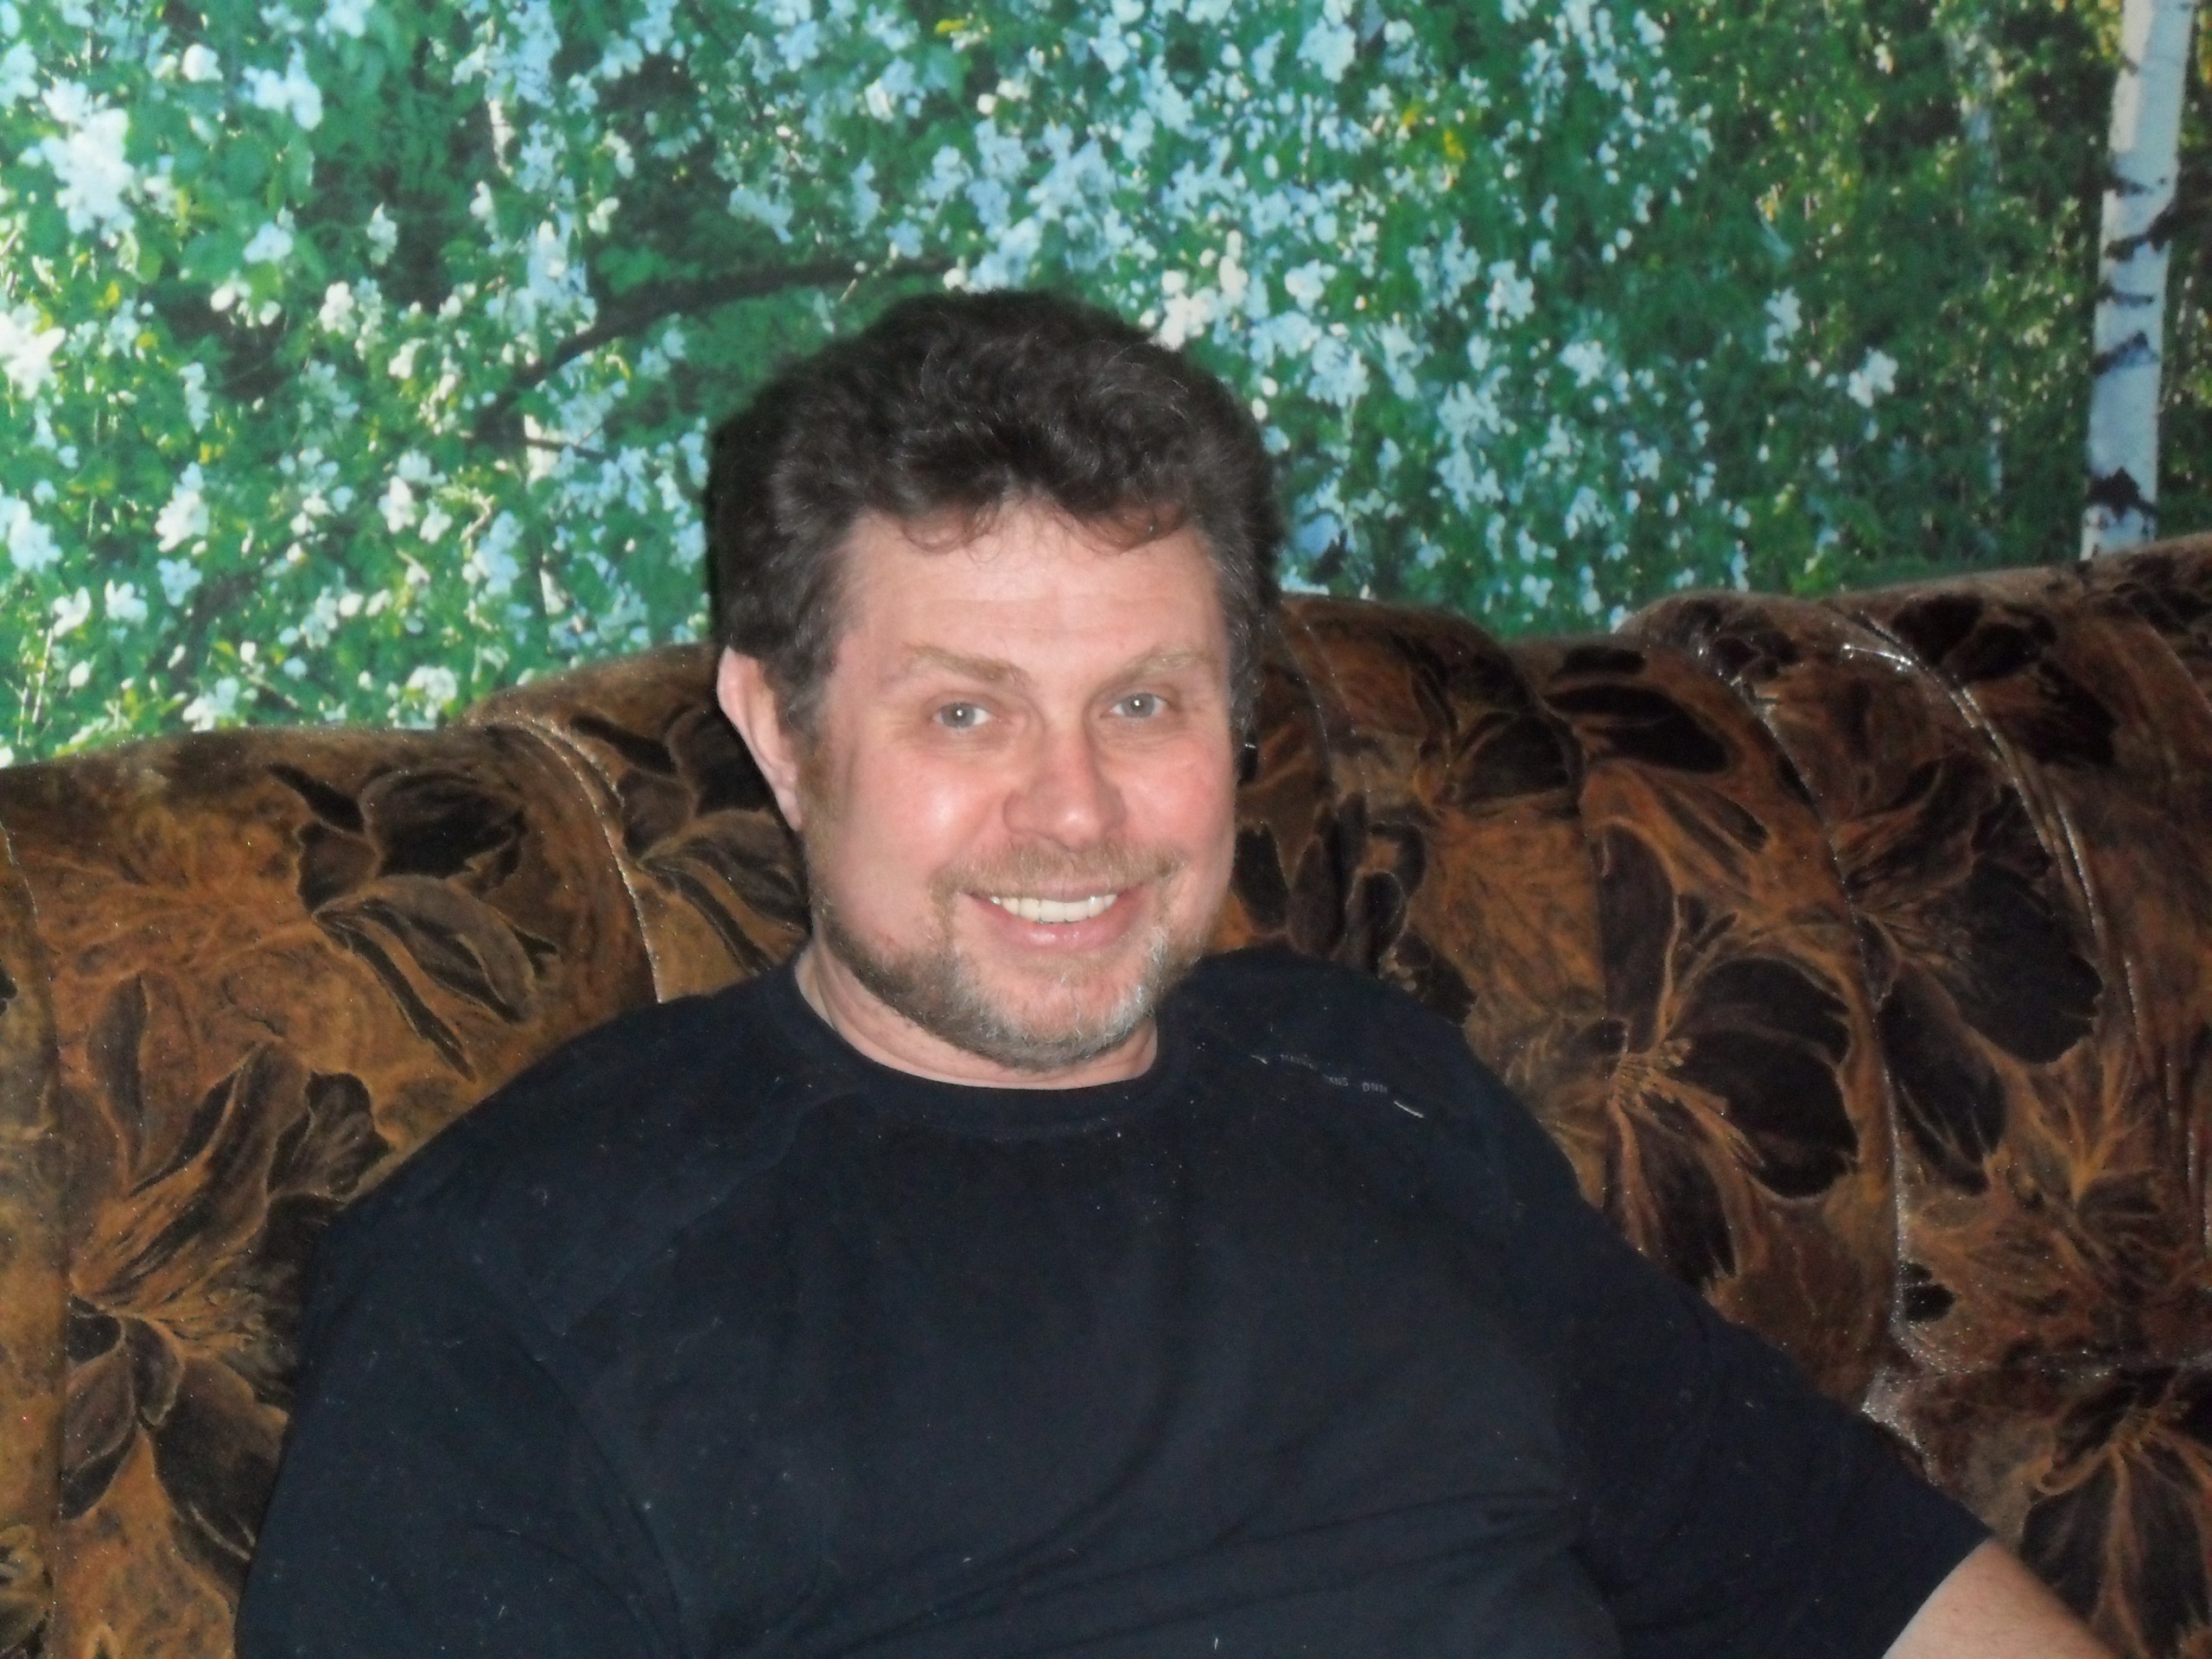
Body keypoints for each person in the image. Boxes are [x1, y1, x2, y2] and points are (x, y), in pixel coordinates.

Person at [236, 291, 2112, 1658]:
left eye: (1142, 705)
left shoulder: (1374, 1092)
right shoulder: (521, 1283)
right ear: (778, 728)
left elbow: (1857, 1575)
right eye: (965, 712)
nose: (1073, 811)